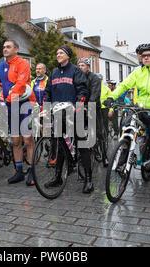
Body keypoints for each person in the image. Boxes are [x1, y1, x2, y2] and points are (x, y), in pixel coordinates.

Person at [104, 43, 150, 194]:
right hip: (141, 109)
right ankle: (124, 152)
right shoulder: (138, 72)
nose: (146, 58)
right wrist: (111, 97)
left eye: (149, 55)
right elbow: (124, 85)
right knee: (126, 125)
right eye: (143, 56)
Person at [0, 40, 37, 186]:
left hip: (25, 104)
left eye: (8, 47)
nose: (5, 49)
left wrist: (8, 99)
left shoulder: (22, 63)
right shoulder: (2, 66)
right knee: (15, 141)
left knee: (28, 139)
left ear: (16, 49)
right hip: (12, 106)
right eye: (3, 47)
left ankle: (31, 171)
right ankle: (18, 171)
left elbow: (21, 84)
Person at [44, 46, 94, 194]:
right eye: (57, 52)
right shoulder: (53, 72)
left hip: (74, 114)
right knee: (59, 145)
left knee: (82, 146)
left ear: (68, 56)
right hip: (58, 114)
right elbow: (47, 91)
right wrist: (46, 106)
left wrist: (77, 106)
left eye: (61, 53)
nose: (58, 54)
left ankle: (88, 179)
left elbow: (83, 91)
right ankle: (58, 176)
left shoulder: (76, 71)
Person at [78, 58, 108, 167]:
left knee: (99, 133)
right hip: (81, 107)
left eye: (83, 65)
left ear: (88, 67)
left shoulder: (94, 78)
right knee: (79, 132)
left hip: (94, 107)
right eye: (79, 65)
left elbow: (95, 94)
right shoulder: (77, 78)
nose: (80, 67)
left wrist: (89, 105)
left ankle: (105, 156)